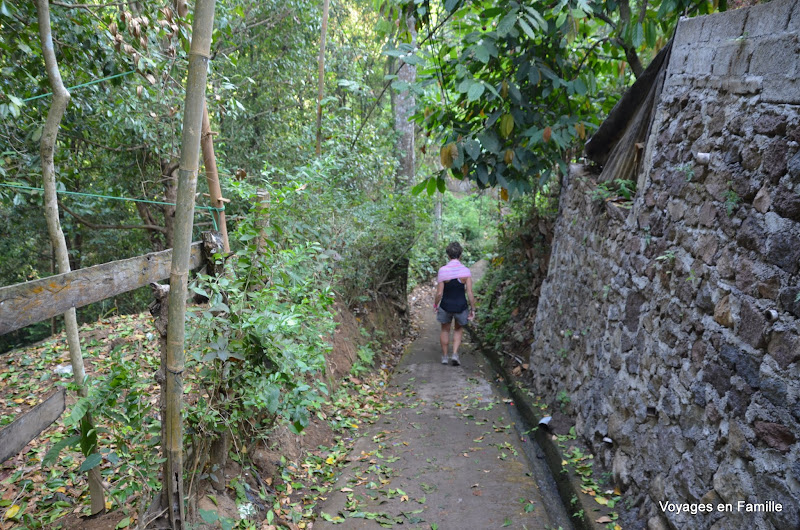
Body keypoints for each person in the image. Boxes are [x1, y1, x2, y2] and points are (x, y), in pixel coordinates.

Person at [433, 241, 476, 366]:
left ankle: (445, 357)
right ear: (460, 255)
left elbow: (439, 293)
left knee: (445, 330)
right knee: (458, 329)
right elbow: (470, 293)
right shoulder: (465, 271)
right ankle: (455, 354)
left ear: (448, 255)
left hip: (446, 305)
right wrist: (473, 309)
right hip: (461, 306)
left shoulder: (443, 271)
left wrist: (436, 305)